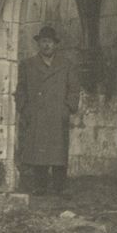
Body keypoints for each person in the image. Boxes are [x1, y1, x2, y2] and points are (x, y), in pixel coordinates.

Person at [15, 25, 80, 196]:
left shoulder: (66, 65)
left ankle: (59, 186)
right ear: (39, 44)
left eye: (50, 42)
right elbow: (20, 89)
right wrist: (25, 108)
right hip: (37, 114)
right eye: (43, 41)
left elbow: (74, 89)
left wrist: (68, 108)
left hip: (58, 115)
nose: (46, 45)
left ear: (55, 44)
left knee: (58, 153)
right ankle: (40, 186)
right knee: (39, 152)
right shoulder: (28, 65)